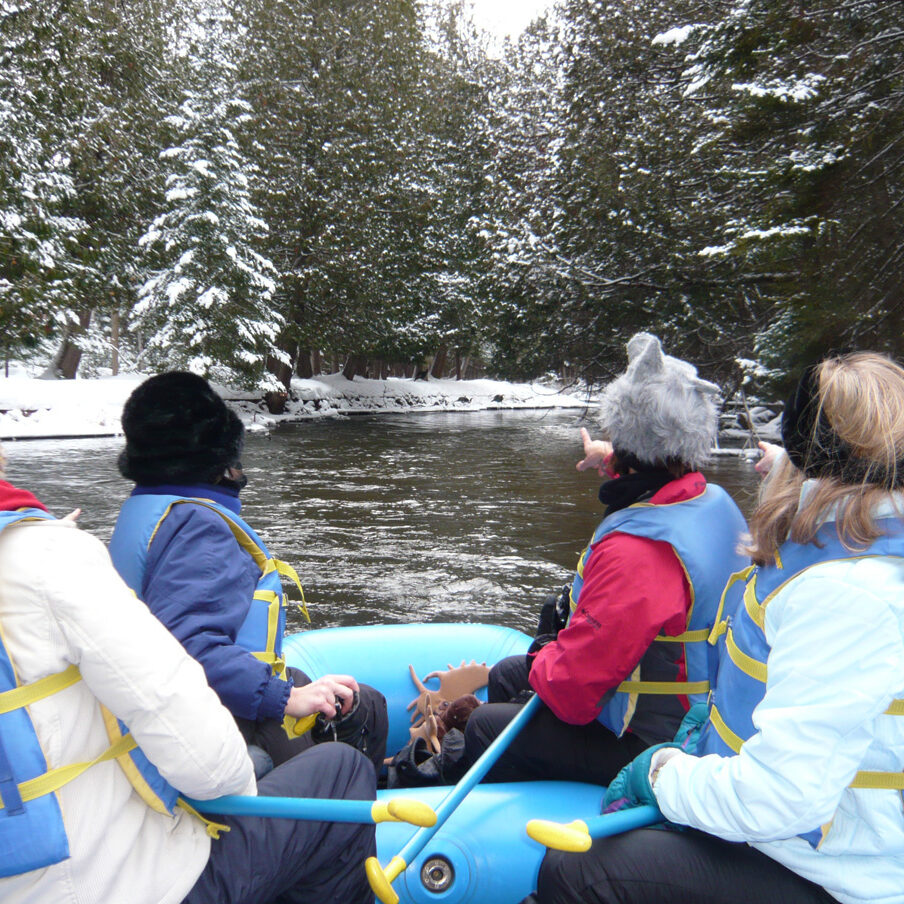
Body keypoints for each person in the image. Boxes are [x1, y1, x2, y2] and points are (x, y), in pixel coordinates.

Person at [531, 350, 904, 904]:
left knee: (580, 871)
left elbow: (781, 798)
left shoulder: (849, 594)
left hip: (834, 871)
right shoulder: (840, 534)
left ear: (806, 455)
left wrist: (661, 774)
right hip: (801, 829)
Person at [0, 447, 377, 904]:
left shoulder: (137, 516)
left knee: (296, 689)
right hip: (111, 884)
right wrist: (274, 719)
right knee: (343, 771)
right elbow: (212, 768)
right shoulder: (45, 556)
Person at [462, 333, 749, 784]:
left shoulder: (639, 553)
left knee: (483, 725)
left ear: (631, 437)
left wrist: (547, 658)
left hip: (654, 743)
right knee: (507, 673)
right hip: (700, 709)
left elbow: (574, 692)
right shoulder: (709, 500)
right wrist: (618, 462)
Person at [108, 371, 388, 775]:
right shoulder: (200, 527)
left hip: (163, 717)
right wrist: (286, 699)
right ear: (219, 460)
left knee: (343, 695)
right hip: (217, 720)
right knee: (364, 721)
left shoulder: (146, 511)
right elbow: (188, 649)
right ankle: (369, 810)